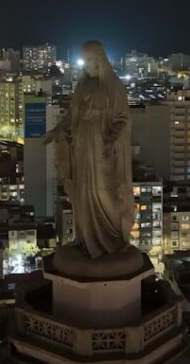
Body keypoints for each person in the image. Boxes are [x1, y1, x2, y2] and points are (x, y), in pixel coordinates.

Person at [46, 40, 134, 258]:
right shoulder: (82, 85)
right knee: (83, 192)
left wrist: (112, 139)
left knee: (105, 192)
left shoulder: (113, 86)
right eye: (84, 60)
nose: (84, 65)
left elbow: (123, 118)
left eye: (88, 60)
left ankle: (112, 235)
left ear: (99, 60)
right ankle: (86, 237)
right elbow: (71, 115)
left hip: (102, 145)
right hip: (82, 144)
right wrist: (58, 130)